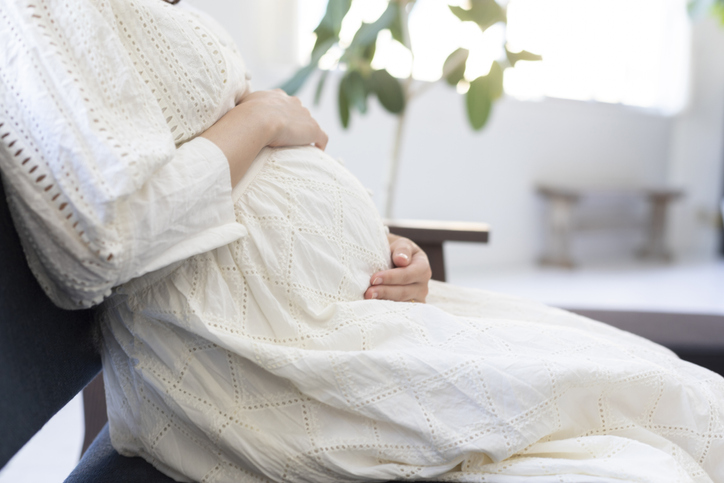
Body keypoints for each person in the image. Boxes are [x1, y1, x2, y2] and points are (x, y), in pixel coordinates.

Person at [1, 1, 723, 482]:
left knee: (669, 392)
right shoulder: (36, 16)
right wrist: (264, 119)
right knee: (643, 450)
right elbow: (107, 235)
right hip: (255, 357)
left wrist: (377, 244)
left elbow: (230, 173)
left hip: (343, 312)